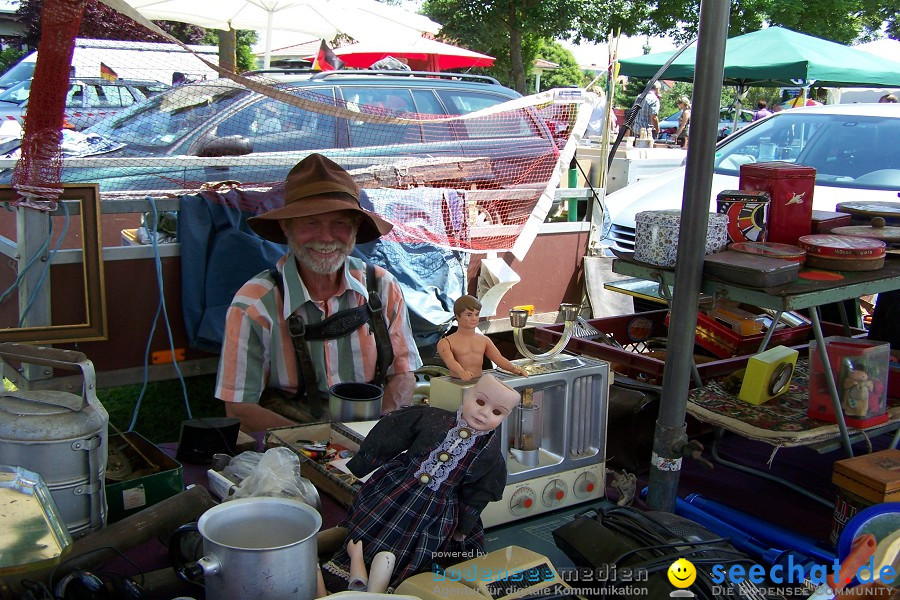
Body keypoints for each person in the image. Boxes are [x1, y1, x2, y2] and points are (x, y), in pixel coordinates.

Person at [215, 153, 422, 431]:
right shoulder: (254, 304)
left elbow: (402, 373)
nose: (326, 238)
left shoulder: (382, 287)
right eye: (310, 223)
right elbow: (240, 408)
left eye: (339, 223)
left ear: (356, 228)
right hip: (291, 436)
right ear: (285, 227)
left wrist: (382, 428)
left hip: (372, 426)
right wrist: (324, 444)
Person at [321, 373, 521, 591]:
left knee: (419, 547)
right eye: (480, 402)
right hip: (398, 487)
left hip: (436, 510)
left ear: (505, 416)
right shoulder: (432, 418)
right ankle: (354, 566)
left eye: (497, 412)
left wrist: (463, 526)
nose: (484, 413)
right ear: (467, 395)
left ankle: (388, 585)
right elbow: (392, 433)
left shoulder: (489, 455)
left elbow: (477, 495)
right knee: (371, 525)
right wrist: (364, 463)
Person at [437, 295, 528, 381]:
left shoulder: (484, 340)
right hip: (457, 382)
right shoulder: (446, 343)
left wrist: (515, 370)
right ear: (457, 316)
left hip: (479, 381)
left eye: (476, 314)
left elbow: (499, 359)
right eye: (469, 315)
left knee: (511, 396)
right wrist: (461, 372)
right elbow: (450, 361)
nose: (474, 318)